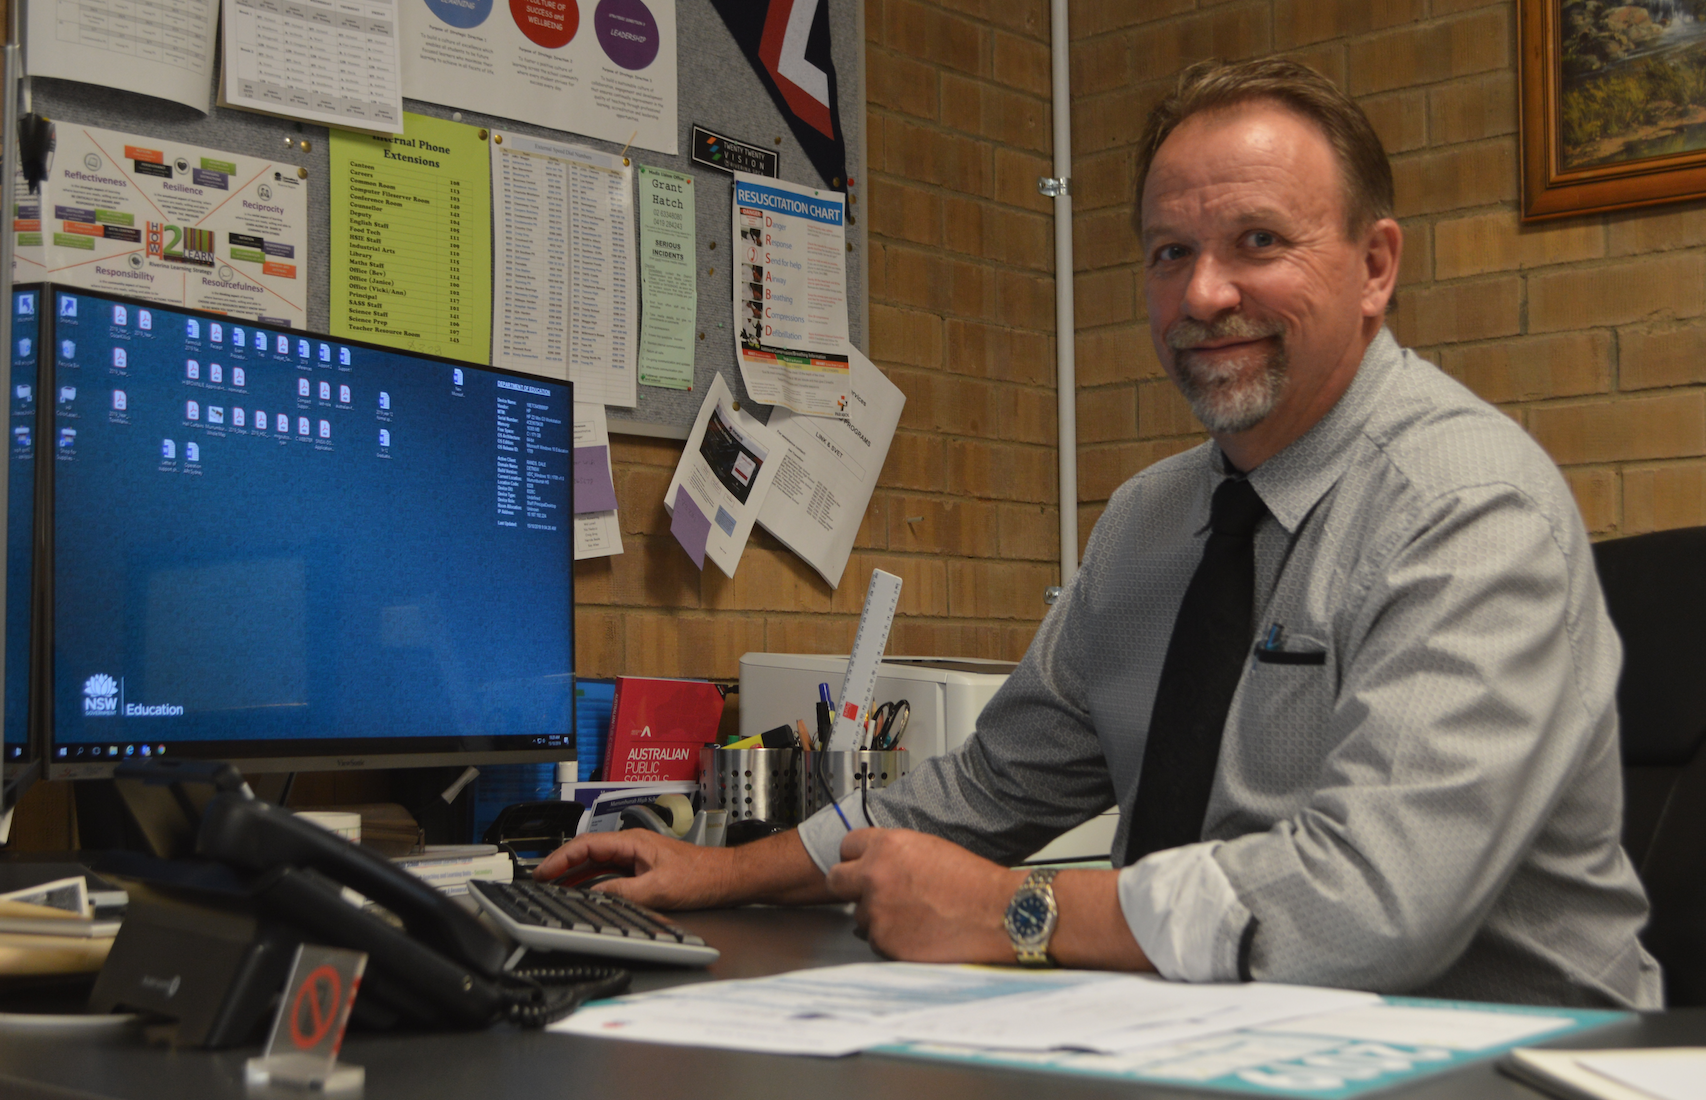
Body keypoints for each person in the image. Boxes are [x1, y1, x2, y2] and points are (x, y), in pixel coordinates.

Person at [538, 58, 1661, 1008]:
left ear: (1375, 267)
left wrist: (1010, 911)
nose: (1203, 293)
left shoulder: (1465, 506)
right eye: (1169, 252)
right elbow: (979, 792)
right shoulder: (1150, 522)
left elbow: (1367, 909)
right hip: (1211, 1036)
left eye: (1257, 240)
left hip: (1502, 1054)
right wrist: (719, 870)